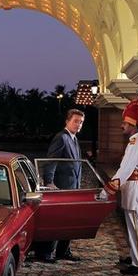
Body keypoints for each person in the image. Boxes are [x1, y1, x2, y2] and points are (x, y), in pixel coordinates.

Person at [103, 99, 138, 275]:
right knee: (134, 227)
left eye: (125, 123)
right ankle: (135, 257)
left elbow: (125, 169)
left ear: (133, 124)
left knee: (137, 228)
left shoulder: (136, 143)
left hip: (136, 190)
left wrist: (108, 188)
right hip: (137, 189)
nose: (122, 125)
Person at [36, 108, 85, 263]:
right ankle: (46, 253)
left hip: (72, 187)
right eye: (75, 121)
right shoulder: (61, 138)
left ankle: (63, 251)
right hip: (61, 187)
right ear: (67, 121)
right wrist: (49, 182)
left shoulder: (74, 139)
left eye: (81, 122)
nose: (78, 125)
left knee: (69, 221)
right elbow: (52, 161)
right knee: (57, 220)